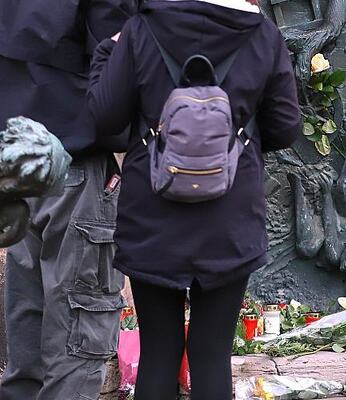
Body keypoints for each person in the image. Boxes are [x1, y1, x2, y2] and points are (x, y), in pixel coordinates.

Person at [87, 0, 301, 398]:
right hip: (230, 216)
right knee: (211, 353)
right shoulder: (262, 35)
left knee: (158, 351)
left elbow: (105, 119)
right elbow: (286, 127)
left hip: (152, 214)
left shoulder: (139, 30)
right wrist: (233, 149)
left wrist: (105, 52)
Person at [0, 1, 139, 399]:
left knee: (28, 349)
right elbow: (119, 77)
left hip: (19, 169)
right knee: (78, 347)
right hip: (75, 164)